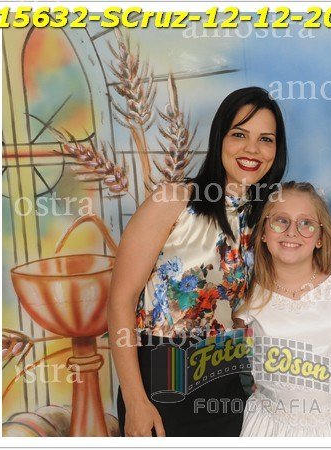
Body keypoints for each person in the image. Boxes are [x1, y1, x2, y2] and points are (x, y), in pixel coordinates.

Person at [108, 87, 288, 437]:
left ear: (276, 150)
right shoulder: (173, 200)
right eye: (239, 134)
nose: (252, 150)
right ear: (220, 138)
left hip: (227, 381)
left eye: (265, 139)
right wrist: (135, 400)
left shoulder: (268, 221)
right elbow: (120, 300)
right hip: (162, 379)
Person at [233, 181, 331, 437]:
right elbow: (235, 351)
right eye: (281, 221)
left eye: (306, 223)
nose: (292, 232)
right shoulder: (248, 291)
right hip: (270, 426)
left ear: (320, 237)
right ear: (263, 232)